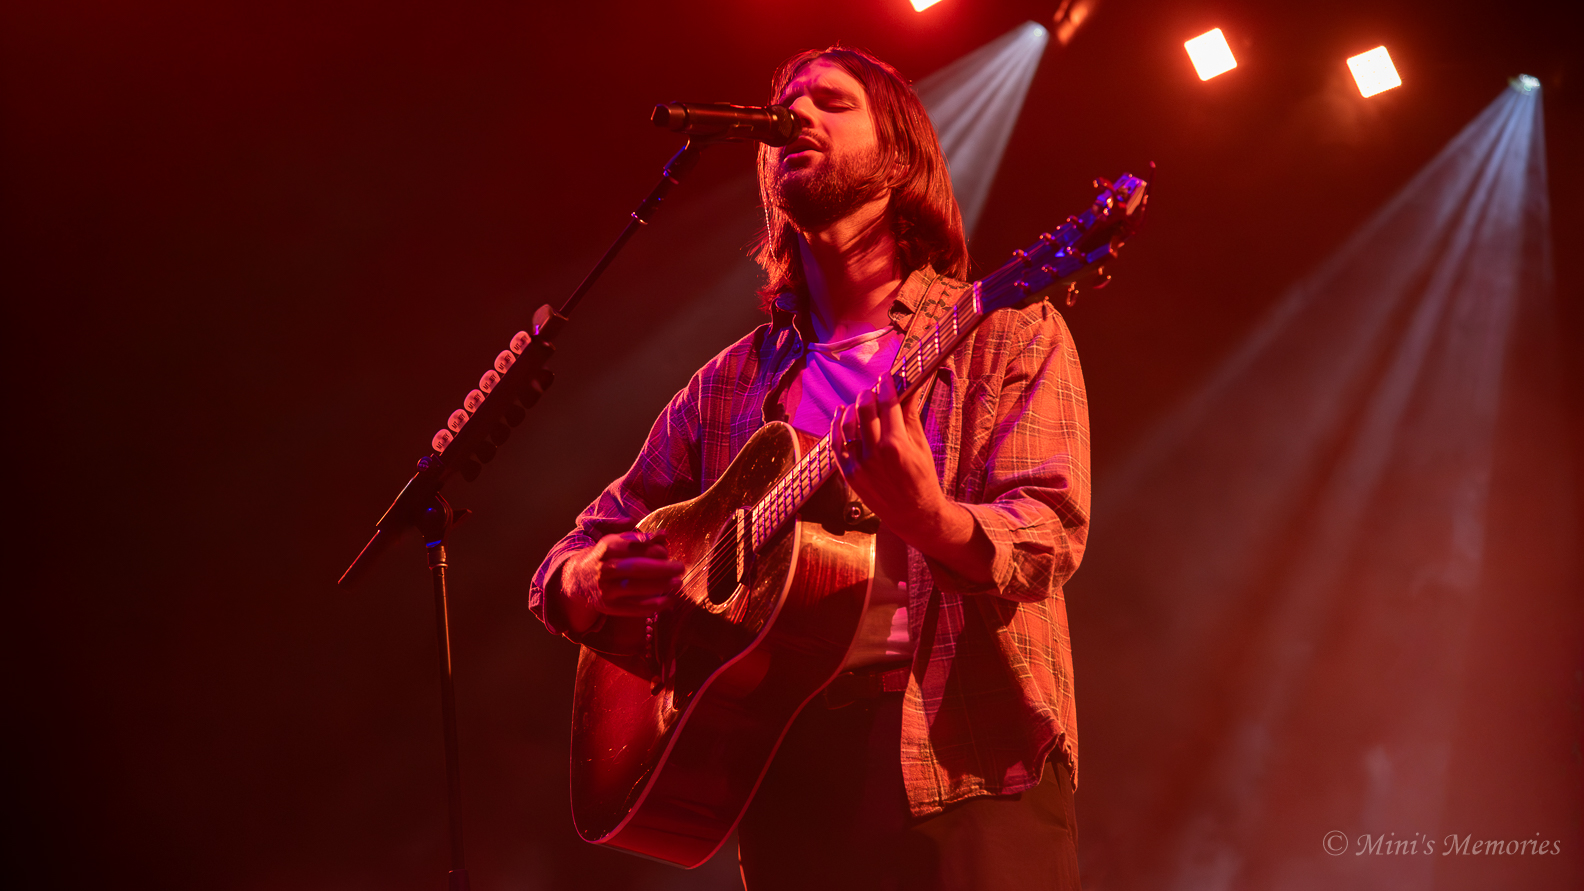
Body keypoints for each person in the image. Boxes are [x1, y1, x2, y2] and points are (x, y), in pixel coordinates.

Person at [529, 45, 1090, 891]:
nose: (796, 116)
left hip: (969, 762)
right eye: (787, 106)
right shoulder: (728, 384)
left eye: (831, 102)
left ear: (898, 154)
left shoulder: (1005, 330)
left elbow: (1048, 534)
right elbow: (569, 557)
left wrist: (931, 519)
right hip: (781, 769)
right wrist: (590, 580)